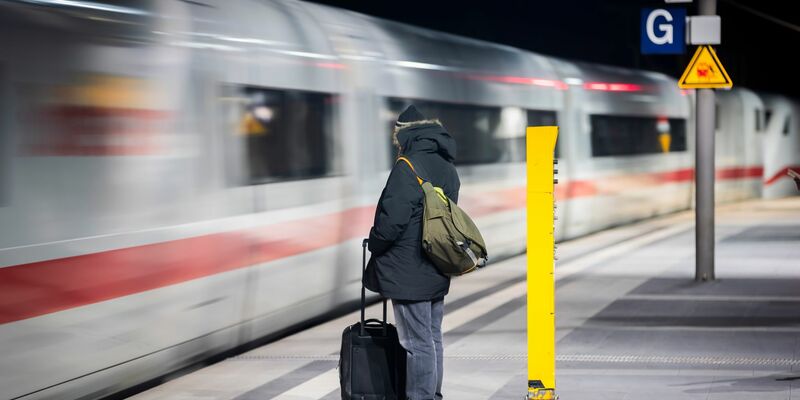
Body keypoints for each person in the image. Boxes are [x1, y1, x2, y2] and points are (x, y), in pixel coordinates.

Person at [364, 105, 460, 400]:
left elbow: (391, 221)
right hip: (436, 263)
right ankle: (433, 394)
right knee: (432, 337)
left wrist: (375, 243)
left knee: (415, 343)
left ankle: (420, 397)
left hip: (408, 269)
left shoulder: (407, 166)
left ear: (403, 135)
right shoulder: (447, 166)